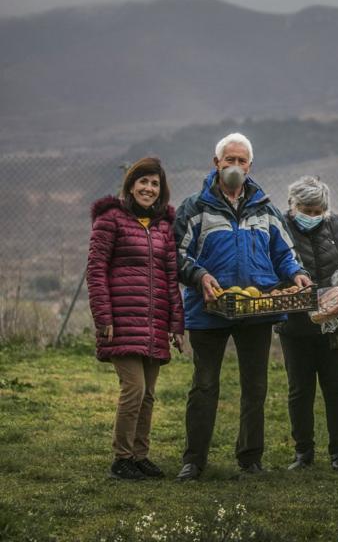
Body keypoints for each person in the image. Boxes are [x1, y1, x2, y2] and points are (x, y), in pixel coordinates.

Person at [173, 132, 311, 480]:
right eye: (229, 160)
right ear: (216, 163)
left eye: (241, 161)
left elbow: (285, 253)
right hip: (208, 308)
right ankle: (194, 460)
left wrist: (297, 274)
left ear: (250, 166)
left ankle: (250, 457)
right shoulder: (195, 208)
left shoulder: (266, 209)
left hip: (256, 309)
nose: (235, 166)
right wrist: (199, 275)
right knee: (204, 385)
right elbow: (176, 255)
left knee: (255, 386)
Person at [87, 157, 185, 480]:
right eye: (143, 181)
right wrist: (104, 316)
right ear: (131, 184)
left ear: (161, 190)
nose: (149, 188)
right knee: (134, 389)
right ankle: (121, 458)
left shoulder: (163, 226)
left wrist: (176, 324)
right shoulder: (110, 220)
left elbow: (171, 279)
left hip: (154, 323)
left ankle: (140, 456)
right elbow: (96, 271)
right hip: (121, 321)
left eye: (155, 183)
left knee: (149, 394)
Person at [277, 176, 338, 471]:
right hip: (294, 324)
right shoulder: (280, 228)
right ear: (292, 205)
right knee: (299, 389)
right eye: (305, 209)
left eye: (317, 210)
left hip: (334, 321)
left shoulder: (337, 225)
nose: (311, 215)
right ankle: (303, 451)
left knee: (335, 387)